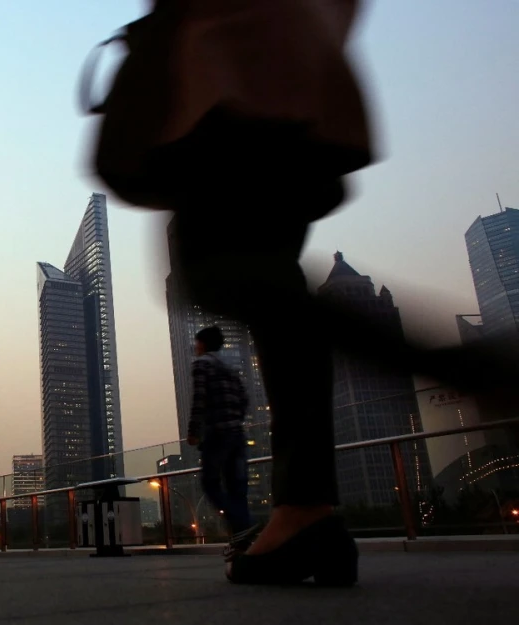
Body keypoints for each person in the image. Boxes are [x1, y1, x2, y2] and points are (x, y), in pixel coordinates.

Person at [87, 0, 518, 585]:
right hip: (283, 82)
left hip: (235, 84)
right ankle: (306, 511)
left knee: (215, 272)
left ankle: (465, 369)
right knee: (270, 286)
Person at [186, 326, 257, 559]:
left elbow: (200, 399)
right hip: (237, 434)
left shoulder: (202, 364)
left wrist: (194, 431)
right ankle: (242, 542)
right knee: (237, 489)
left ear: (202, 344)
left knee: (210, 483)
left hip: (217, 434)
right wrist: (235, 420)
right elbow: (245, 399)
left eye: (197, 343)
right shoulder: (230, 368)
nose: (195, 347)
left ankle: (242, 527)